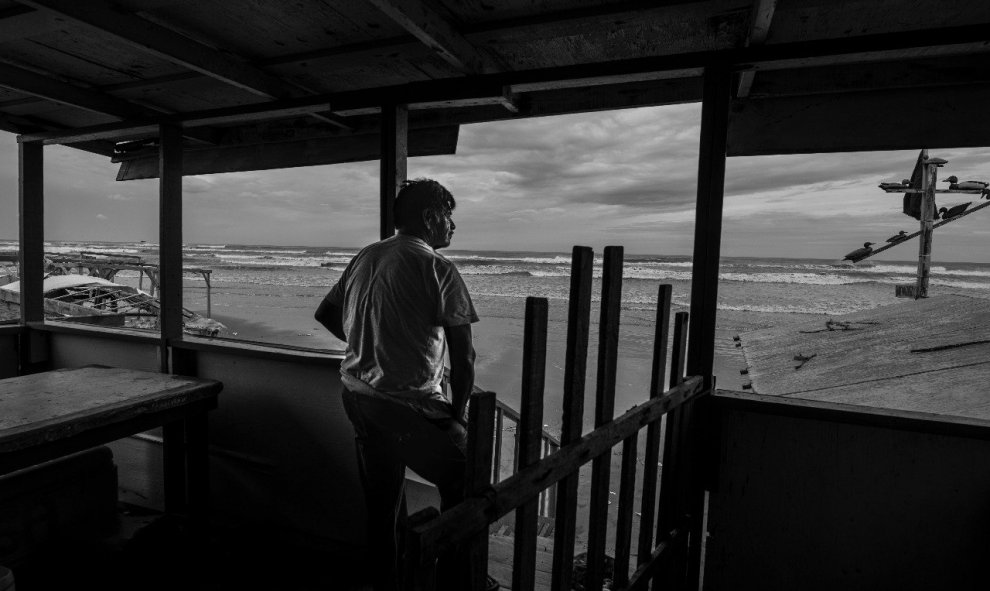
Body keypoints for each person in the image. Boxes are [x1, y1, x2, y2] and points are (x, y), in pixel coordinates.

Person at [315, 178, 488, 591]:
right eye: (449, 215)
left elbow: (325, 314)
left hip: (356, 395)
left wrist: (369, 343)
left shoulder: (368, 255)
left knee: (383, 502)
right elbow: (463, 359)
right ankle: (453, 578)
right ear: (430, 217)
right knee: (466, 482)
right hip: (402, 406)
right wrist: (456, 414)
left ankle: (386, 580)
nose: (453, 226)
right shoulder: (438, 268)